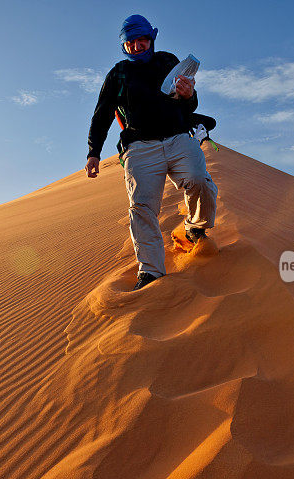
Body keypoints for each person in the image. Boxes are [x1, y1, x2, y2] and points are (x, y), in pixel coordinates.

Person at [85, 14, 218, 291]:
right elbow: (102, 115)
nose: (137, 46)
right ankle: (151, 272)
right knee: (142, 208)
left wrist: (189, 93)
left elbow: (189, 104)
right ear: (124, 45)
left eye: (141, 40)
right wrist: (93, 152)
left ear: (151, 39)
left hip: (178, 137)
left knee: (200, 181)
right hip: (140, 148)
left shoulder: (168, 61)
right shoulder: (118, 74)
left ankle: (195, 228)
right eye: (130, 42)